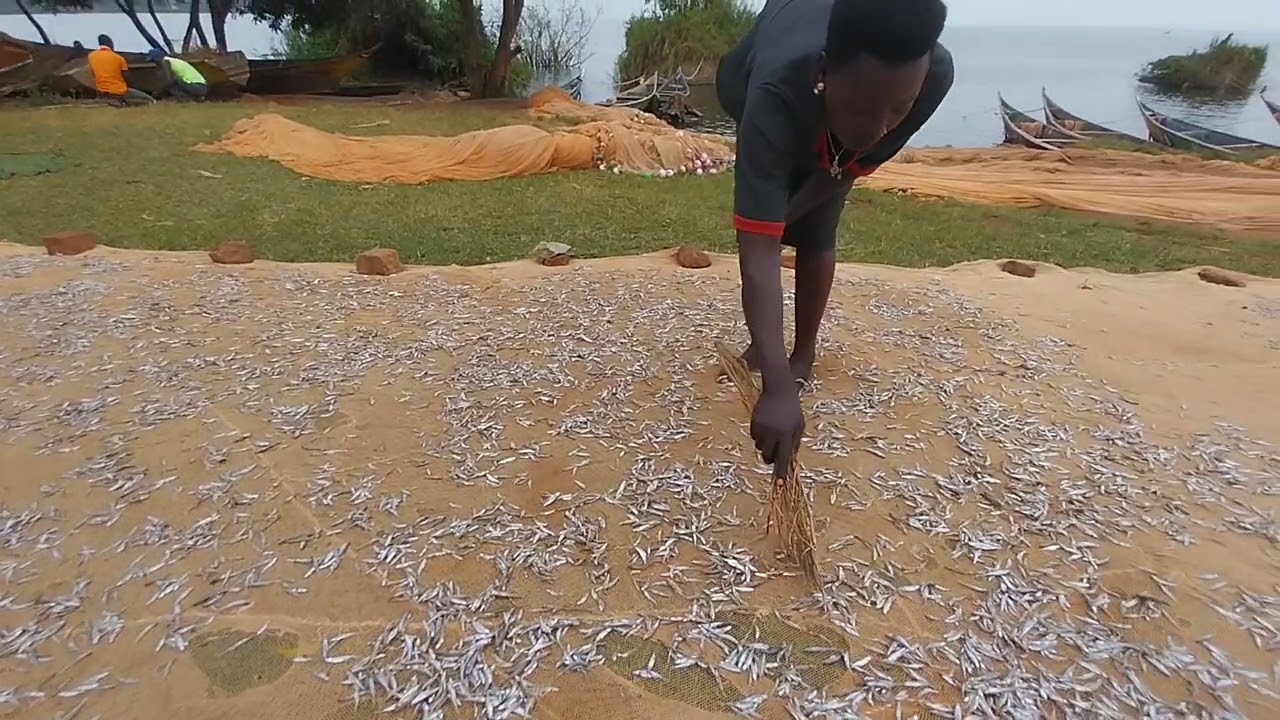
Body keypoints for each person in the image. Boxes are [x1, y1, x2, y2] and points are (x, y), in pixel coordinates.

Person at [716, 0, 954, 467]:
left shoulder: (933, 75)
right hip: (756, 83)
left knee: (819, 228)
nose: (876, 129)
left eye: (898, 109)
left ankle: (802, 354)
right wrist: (776, 391)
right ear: (824, 71)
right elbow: (757, 251)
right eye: (861, 108)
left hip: (823, 98)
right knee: (765, 218)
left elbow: (845, 166)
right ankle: (770, 355)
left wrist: (786, 218)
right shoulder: (773, 91)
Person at [87, 34, 155, 106]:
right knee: (150, 101)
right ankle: (122, 103)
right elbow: (127, 77)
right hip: (118, 91)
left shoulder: (91, 56)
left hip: (101, 91)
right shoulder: (118, 58)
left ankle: (109, 101)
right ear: (110, 43)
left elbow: (94, 74)